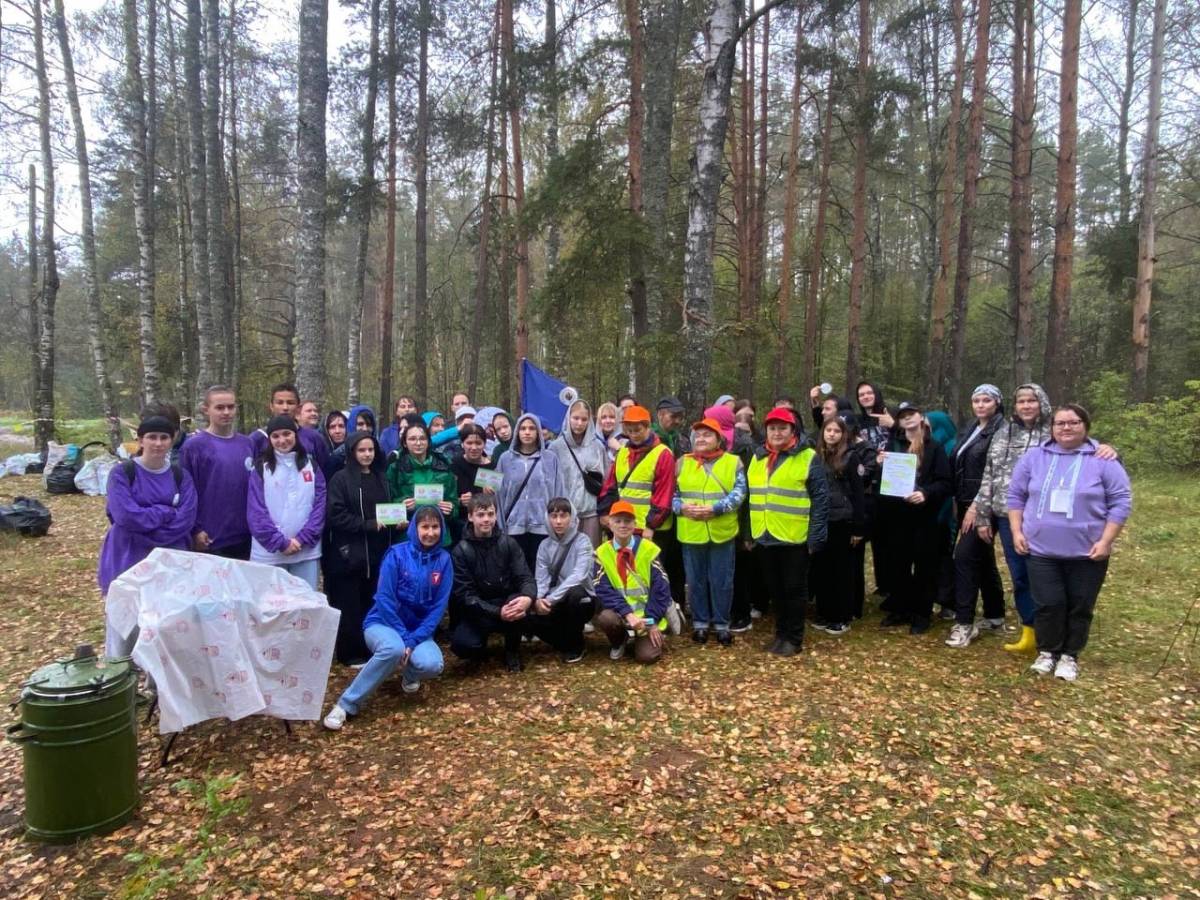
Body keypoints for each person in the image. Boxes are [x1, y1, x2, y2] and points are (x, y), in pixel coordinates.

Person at [971, 383, 1117, 653]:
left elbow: (1084, 449)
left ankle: (1058, 634)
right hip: (1008, 516)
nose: (1026, 406)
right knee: (1021, 576)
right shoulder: (1004, 432)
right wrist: (982, 515)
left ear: (1042, 403)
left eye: (1031, 401)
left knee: (1050, 578)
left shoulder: (1056, 431)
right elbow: (989, 473)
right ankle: (1031, 630)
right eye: (1021, 401)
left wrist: (1106, 447)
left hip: (1045, 518)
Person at [1008, 404, 1131, 682]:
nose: (1066, 428)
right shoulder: (1034, 457)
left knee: (1079, 604)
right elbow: (1016, 496)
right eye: (1060, 423)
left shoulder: (1104, 460)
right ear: (1051, 427)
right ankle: (1048, 651)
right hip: (1040, 549)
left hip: (1087, 551)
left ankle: (1069, 655)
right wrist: (1017, 531)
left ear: (1085, 425)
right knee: (1048, 603)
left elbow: (1121, 502)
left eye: (1073, 422)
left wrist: (1107, 541)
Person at [322, 506, 452, 729]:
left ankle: (410, 675)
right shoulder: (397, 554)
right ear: (414, 528)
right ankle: (346, 704)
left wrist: (412, 640)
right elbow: (384, 599)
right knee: (392, 649)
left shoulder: (444, 560)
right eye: (425, 527)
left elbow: (438, 609)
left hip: (416, 630)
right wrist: (403, 638)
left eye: (435, 527)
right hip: (382, 623)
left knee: (433, 664)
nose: (430, 532)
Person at [746, 407, 829, 656]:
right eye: (772, 428)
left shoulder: (808, 457)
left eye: (782, 428)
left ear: (793, 430)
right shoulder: (758, 456)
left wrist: (816, 536)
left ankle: (794, 637)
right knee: (775, 590)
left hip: (794, 537)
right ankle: (780, 634)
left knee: (794, 590)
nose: (777, 433)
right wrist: (749, 533)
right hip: (765, 534)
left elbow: (820, 499)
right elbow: (752, 496)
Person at [596, 405, 680, 626]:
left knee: (654, 577)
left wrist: (652, 525)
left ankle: (660, 616)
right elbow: (611, 484)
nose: (633, 434)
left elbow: (664, 492)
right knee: (628, 575)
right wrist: (605, 512)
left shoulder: (663, 454)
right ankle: (631, 618)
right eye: (629, 430)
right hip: (625, 524)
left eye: (638, 429)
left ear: (647, 427)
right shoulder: (623, 452)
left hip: (652, 528)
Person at [98, 414, 199, 598]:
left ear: (171, 440)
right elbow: (125, 516)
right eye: (152, 437)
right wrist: (164, 511)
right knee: (129, 616)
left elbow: (186, 518)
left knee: (169, 615)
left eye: (164, 437)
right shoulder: (122, 474)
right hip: (128, 553)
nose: (158, 443)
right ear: (140, 440)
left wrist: (149, 526)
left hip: (171, 557)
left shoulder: (180, 476)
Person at [875, 402, 953, 634]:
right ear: (898, 422)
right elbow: (884, 482)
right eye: (903, 417)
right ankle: (901, 609)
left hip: (925, 518)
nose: (908, 419)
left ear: (921, 417)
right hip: (896, 517)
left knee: (924, 568)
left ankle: (922, 614)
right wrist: (880, 465)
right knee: (897, 565)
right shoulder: (893, 445)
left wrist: (925, 493)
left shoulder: (935, 448)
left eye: (912, 415)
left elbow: (945, 483)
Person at [323, 430, 395, 667]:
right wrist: (367, 525)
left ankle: (371, 646)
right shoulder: (341, 479)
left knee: (371, 600)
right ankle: (349, 652)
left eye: (370, 450)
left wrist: (397, 519)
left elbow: (387, 509)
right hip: (349, 552)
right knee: (349, 604)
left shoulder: (381, 477)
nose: (367, 455)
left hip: (376, 550)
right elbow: (336, 515)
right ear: (352, 452)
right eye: (361, 450)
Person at [672, 417, 746, 645]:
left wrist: (716, 509)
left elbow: (740, 492)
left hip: (721, 531)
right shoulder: (682, 463)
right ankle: (700, 624)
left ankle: (722, 624)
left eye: (707, 435)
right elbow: (671, 495)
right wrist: (681, 507)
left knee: (721, 580)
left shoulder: (733, 462)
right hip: (691, 532)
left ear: (718, 439)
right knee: (695, 581)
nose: (701, 439)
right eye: (698, 435)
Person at [945, 385, 1008, 648]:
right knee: (982, 557)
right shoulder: (973, 427)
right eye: (976, 400)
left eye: (986, 400)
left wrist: (977, 508)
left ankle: (964, 623)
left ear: (997, 403)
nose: (980, 405)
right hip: (964, 499)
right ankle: (995, 614)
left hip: (984, 504)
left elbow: (994, 472)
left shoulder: (1002, 430)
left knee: (965, 557)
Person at [450, 493, 538, 671]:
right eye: (480, 515)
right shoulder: (460, 551)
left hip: (508, 603)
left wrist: (528, 597)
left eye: (490, 514)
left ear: (496, 515)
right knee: (463, 645)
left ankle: (512, 650)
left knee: (517, 602)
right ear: (470, 516)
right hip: (479, 610)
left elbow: (525, 577)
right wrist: (497, 612)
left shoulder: (509, 543)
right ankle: (480, 648)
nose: (486, 520)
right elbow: (465, 596)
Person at [246, 415, 326, 588]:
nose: (282, 440)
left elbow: (319, 507)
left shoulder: (312, 466)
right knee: (271, 609)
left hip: (305, 552)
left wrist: (303, 539)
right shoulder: (260, 468)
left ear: (295, 435)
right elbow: (256, 512)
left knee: (305, 607)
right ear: (269, 439)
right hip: (269, 554)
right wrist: (280, 542)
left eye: (287, 434)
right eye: (275, 436)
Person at [178, 386, 255, 560]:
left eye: (231, 407)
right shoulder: (194, 447)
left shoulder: (247, 444)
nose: (226, 412)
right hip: (210, 538)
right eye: (220, 407)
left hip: (246, 536)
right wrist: (195, 530)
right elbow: (186, 493)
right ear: (206, 409)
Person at [809, 415, 866, 635]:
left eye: (837, 431)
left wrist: (858, 527)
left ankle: (841, 616)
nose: (832, 434)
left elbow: (859, 494)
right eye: (828, 430)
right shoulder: (815, 457)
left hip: (843, 520)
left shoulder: (850, 457)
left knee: (842, 570)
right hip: (821, 519)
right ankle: (824, 612)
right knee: (822, 568)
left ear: (843, 435)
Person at [593, 500, 671, 664]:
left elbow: (661, 588)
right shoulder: (602, 553)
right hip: (621, 614)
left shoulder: (648, 550)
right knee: (606, 618)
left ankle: (649, 639)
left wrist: (652, 620)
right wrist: (628, 615)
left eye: (627, 521)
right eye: (618, 521)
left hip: (647, 617)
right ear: (610, 524)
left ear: (635, 524)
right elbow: (603, 590)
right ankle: (619, 641)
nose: (623, 525)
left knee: (646, 657)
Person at [530, 498, 597, 663]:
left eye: (563, 515)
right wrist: (538, 600)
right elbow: (541, 578)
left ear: (572, 517)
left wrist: (550, 600)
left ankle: (576, 645)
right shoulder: (544, 546)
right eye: (553, 516)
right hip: (554, 600)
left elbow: (578, 576)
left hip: (582, 599)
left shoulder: (583, 542)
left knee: (575, 595)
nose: (558, 521)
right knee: (526, 614)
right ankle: (564, 642)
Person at [497, 413, 563, 571]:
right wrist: (500, 525)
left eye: (532, 428)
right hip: (513, 526)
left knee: (540, 570)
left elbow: (559, 491)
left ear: (539, 432)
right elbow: (497, 495)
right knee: (515, 570)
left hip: (542, 526)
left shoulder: (550, 459)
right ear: (517, 432)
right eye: (523, 428)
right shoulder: (505, 459)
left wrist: (557, 520)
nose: (527, 432)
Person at [386, 418, 458, 546]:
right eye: (412, 439)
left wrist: (451, 509)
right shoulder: (395, 468)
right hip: (407, 539)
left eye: (422, 438)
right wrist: (401, 506)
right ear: (404, 443)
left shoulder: (444, 467)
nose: (418, 443)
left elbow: (454, 505)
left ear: (428, 441)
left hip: (439, 538)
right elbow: (386, 504)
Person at [550, 398, 606, 547]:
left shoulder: (597, 446)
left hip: (591, 514)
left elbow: (606, 481)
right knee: (566, 558)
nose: (579, 423)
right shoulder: (556, 447)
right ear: (568, 418)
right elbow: (549, 481)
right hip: (564, 514)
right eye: (575, 418)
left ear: (589, 421)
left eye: (584, 419)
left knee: (590, 557)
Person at [250, 383, 329, 472]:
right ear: (271, 406)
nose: (285, 407)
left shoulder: (314, 437)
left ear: (298, 407)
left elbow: (324, 472)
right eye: (280, 403)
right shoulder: (257, 438)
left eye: (290, 403)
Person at [320, 410, 349, 480]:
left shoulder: (354, 451)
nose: (337, 431)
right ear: (326, 430)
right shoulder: (321, 453)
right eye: (332, 427)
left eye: (341, 426)